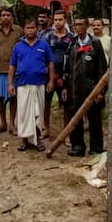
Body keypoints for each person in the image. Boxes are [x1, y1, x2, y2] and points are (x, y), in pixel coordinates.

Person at [62, 14, 107, 157]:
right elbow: (66, 68)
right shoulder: (72, 44)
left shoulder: (95, 43)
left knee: (94, 120)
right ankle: (78, 146)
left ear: (87, 26)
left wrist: (101, 91)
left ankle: (96, 148)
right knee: (75, 118)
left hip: (92, 89)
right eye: (75, 25)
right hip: (74, 88)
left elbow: (102, 69)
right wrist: (65, 86)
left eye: (81, 24)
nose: (78, 27)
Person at [8, 19, 54, 152]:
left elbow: (50, 63)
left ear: (37, 29)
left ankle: (38, 140)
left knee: (38, 114)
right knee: (23, 113)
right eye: (27, 28)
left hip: (39, 84)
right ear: (24, 29)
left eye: (32, 27)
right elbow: (12, 66)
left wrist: (51, 81)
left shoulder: (44, 45)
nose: (30, 30)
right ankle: (24, 140)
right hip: (22, 84)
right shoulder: (18, 46)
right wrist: (10, 84)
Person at [0, 7, 22, 135]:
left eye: (8, 15)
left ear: (12, 17)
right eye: (3, 15)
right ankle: (3, 123)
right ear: (0, 17)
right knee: (0, 98)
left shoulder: (18, 31)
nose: (6, 17)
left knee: (13, 97)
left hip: (15, 71)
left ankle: (12, 124)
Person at [42, 9, 72, 137]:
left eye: (60, 19)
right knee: (46, 103)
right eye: (55, 20)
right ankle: (46, 129)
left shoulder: (71, 37)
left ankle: (66, 133)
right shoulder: (47, 36)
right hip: (49, 75)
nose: (58, 22)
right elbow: (43, 55)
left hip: (64, 76)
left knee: (66, 104)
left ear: (65, 20)